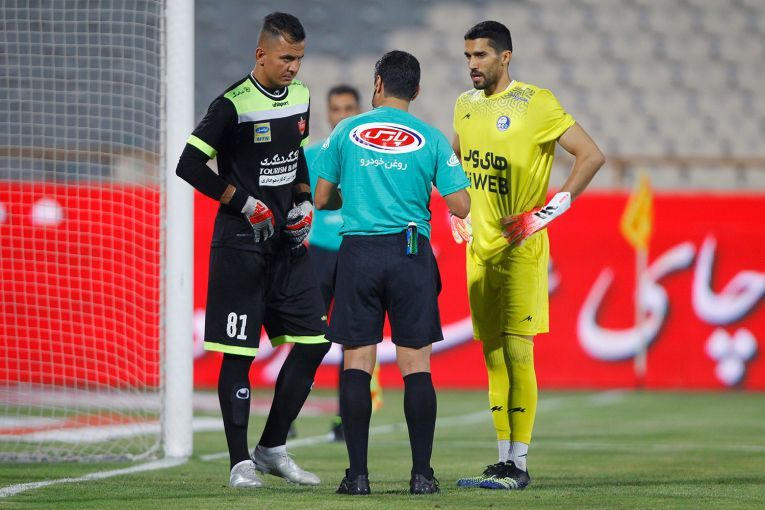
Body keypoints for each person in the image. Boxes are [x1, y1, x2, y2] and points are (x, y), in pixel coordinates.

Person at [175, 12, 330, 488]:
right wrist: (242, 202)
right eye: (286, 58)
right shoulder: (232, 105)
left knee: (316, 341)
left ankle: (272, 448)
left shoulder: (301, 95)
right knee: (239, 353)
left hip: (287, 247)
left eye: (299, 59)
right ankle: (239, 462)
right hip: (240, 247)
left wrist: (304, 201)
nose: (293, 68)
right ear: (261, 55)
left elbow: (296, 155)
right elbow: (189, 164)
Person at [451, 21, 605, 490]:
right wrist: (454, 211)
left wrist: (548, 212)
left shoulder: (536, 102)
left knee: (519, 352)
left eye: (480, 55)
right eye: (468, 56)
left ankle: (519, 464)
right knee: (493, 356)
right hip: (479, 249)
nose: (472, 64)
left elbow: (591, 155)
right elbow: (454, 161)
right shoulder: (464, 105)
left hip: (520, 247)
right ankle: (501, 461)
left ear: (505, 57)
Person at [314, 50, 471, 496]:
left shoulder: (345, 130)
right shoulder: (432, 138)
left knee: (357, 362)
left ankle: (357, 476)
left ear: (378, 83)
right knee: (415, 364)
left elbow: (322, 198)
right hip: (410, 251)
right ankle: (421, 476)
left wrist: (355, 195)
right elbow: (461, 206)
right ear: (416, 91)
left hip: (359, 251)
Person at [304, 85, 383, 442]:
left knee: (352, 339)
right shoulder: (311, 154)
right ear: (327, 113)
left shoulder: (373, 156)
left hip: (356, 250)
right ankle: (289, 412)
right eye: (336, 109)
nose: (342, 115)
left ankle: (344, 417)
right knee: (308, 336)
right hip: (319, 253)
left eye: (349, 108)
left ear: (359, 110)